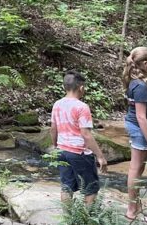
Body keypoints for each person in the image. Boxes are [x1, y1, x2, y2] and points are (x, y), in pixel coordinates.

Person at [50, 69, 108, 206]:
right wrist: (100, 156)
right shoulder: (82, 107)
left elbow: (53, 129)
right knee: (90, 188)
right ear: (81, 88)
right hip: (79, 152)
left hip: (62, 150)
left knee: (66, 186)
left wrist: (55, 146)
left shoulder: (57, 104)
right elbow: (86, 134)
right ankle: (87, 220)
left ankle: (69, 217)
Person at [123, 47, 147, 222]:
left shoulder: (136, 81)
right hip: (139, 129)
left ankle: (138, 206)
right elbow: (140, 116)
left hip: (138, 128)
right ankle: (131, 209)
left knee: (139, 169)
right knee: (135, 169)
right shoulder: (140, 85)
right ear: (145, 63)